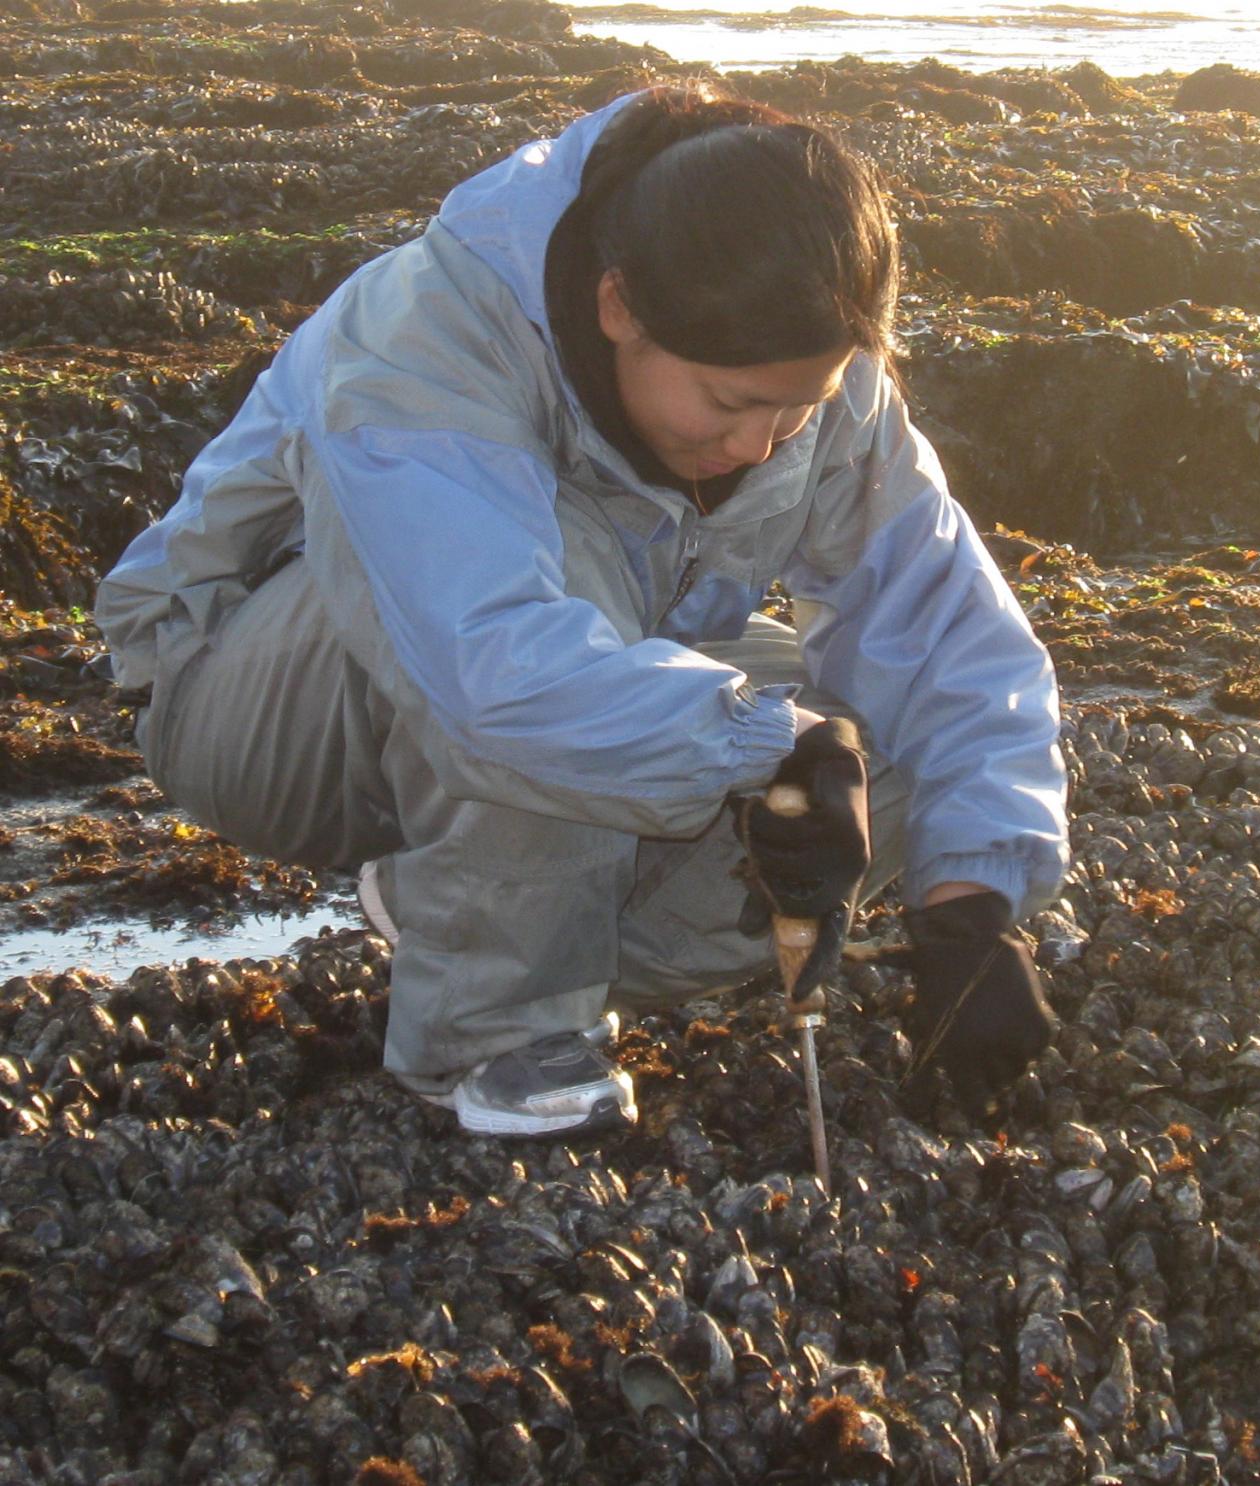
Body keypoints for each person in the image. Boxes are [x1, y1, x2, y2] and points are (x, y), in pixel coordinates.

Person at [96, 84, 1070, 1138]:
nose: (761, 443)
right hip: (253, 695)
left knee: (891, 759)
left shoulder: (819, 373)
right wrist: (768, 740)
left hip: (530, 660)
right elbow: (491, 659)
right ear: (619, 307)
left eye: (800, 410)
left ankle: (457, 906)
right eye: (733, 404)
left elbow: (943, 632)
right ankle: (497, 1036)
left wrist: (971, 909)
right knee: (604, 609)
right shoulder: (431, 330)